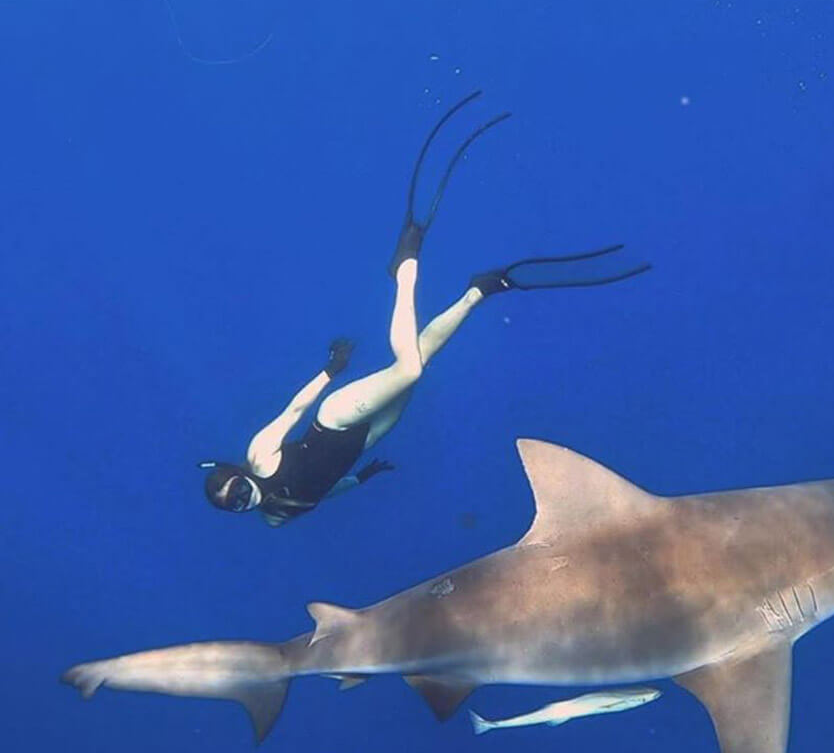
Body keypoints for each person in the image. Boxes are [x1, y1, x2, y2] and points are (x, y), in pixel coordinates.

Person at [202, 91, 651, 526]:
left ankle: (404, 267)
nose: (244, 498)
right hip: (367, 437)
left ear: (239, 473)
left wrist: (330, 371)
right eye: (236, 505)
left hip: (335, 419)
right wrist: (363, 478)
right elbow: (322, 492)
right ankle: (481, 291)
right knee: (423, 357)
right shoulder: (276, 518)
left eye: (237, 490)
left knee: (409, 369)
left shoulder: (261, 454)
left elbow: (293, 412)